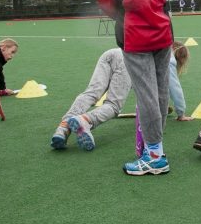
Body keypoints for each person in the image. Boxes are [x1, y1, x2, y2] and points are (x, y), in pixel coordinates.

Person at [97, 0, 175, 176]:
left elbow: (105, 0)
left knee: (146, 95)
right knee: (160, 90)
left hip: (133, 32)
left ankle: (154, 155)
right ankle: (156, 148)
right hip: (162, 28)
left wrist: (122, 16)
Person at [50, 43, 190, 152]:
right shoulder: (168, 58)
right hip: (127, 62)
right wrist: (181, 112)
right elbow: (174, 87)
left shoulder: (155, 46)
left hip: (111, 53)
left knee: (91, 93)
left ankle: (63, 129)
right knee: (113, 105)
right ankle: (86, 120)